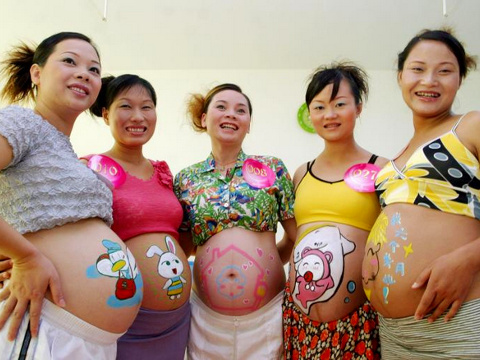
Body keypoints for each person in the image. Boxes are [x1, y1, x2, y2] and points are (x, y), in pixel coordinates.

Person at [0, 32, 142, 359]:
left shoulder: (67, 152)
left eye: (94, 69)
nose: (84, 73)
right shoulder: (22, 122)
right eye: (69, 61)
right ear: (36, 73)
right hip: (41, 327)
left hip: (87, 339)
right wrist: (25, 256)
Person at [362, 28, 480, 359]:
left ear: (460, 80)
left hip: (457, 323)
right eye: (417, 69)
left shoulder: (471, 126)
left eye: (445, 71)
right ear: (400, 77)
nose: (429, 80)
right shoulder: (393, 159)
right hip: (393, 334)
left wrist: (468, 259)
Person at [174, 83, 297, 359]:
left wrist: (261, 265)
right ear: (204, 119)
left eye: (240, 110)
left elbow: (295, 237)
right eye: (221, 107)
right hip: (206, 320)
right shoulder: (186, 179)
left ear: (248, 124)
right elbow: (184, 248)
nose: (231, 114)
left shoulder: (273, 168)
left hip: (267, 316)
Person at [81, 74, 191, 359]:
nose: (137, 116)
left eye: (147, 107)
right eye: (126, 106)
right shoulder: (90, 169)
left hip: (176, 321)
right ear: (106, 114)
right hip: (123, 321)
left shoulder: (165, 174)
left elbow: (181, 239)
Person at [283, 62, 385, 359]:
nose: (329, 115)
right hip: (299, 323)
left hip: (361, 322)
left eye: (340, 104)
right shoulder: (301, 173)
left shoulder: (382, 169)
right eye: (319, 106)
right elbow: (292, 240)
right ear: (309, 113)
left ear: (359, 107)